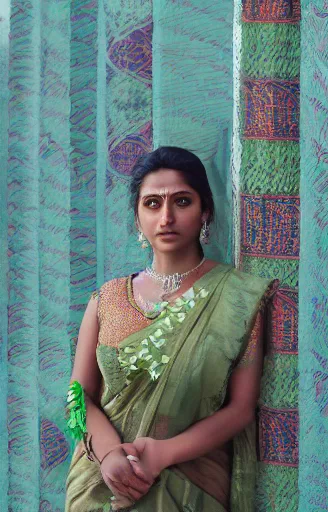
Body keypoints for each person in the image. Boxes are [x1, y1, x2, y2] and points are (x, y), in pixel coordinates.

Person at [65, 146, 277, 511]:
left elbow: (241, 409)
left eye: (181, 201)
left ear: (205, 211)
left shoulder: (237, 298)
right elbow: (77, 397)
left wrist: (161, 454)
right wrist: (109, 455)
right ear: (136, 219)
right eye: (151, 204)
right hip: (100, 487)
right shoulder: (106, 299)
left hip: (190, 487)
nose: (166, 217)